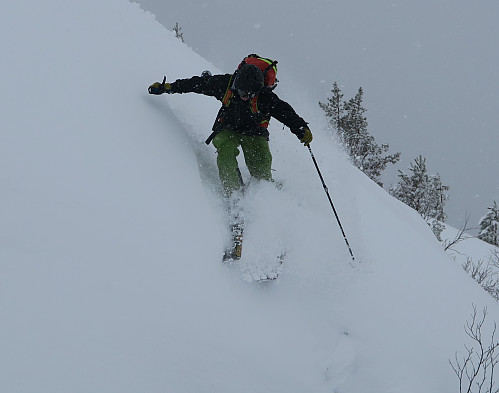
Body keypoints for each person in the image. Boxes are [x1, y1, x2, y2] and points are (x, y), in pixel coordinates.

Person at [148, 59, 313, 198]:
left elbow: (284, 111)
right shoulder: (224, 84)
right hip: (228, 128)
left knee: (261, 169)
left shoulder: (265, 97)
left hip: (255, 133)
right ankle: (234, 195)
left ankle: (269, 194)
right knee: (225, 155)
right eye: (241, 92)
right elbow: (197, 84)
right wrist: (169, 87)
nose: (244, 96)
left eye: (249, 95)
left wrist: (301, 128)